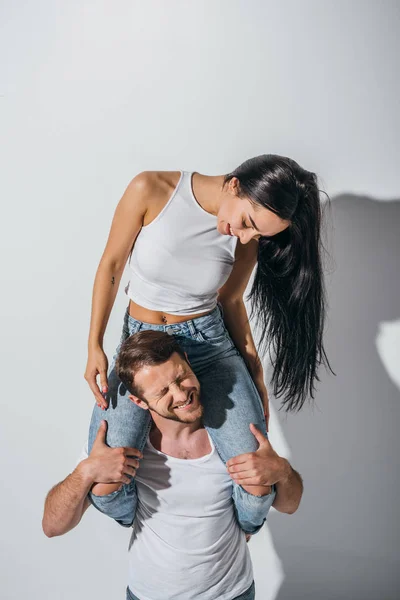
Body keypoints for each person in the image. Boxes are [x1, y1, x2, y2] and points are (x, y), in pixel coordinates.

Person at [84, 156, 332, 517]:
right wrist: (94, 344)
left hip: (208, 344)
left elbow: (230, 299)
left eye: (257, 234)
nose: (246, 236)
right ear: (234, 185)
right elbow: (110, 265)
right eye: (247, 223)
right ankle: (149, 527)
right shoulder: (151, 189)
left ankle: (241, 531)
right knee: (104, 479)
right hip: (143, 348)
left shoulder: (244, 238)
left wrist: (254, 369)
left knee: (257, 475)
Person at [43, 331, 303, 600]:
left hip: (233, 594)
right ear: (139, 401)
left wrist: (282, 470)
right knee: (102, 487)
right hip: (148, 596)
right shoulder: (118, 450)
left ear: (189, 362)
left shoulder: (233, 436)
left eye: (181, 378)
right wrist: (85, 471)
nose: (181, 395)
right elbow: (52, 526)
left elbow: (291, 504)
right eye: (163, 391)